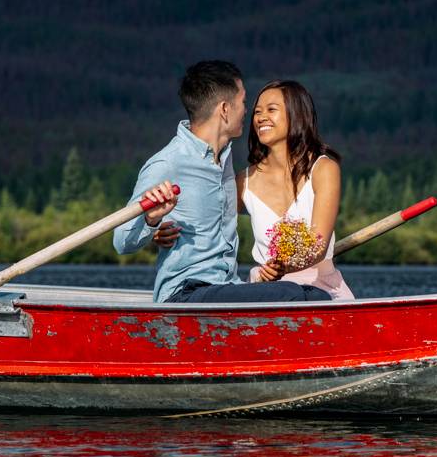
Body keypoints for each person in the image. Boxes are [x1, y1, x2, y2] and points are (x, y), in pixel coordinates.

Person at [113, 60, 332, 304]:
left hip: (226, 288)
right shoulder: (168, 163)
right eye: (244, 103)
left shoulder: (225, 163)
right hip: (185, 294)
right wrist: (150, 220)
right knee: (300, 295)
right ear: (225, 109)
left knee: (307, 294)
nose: (248, 112)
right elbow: (122, 241)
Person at [241, 80, 354, 300]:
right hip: (263, 290)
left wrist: (285, 267)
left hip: (321, 289)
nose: (260, 117)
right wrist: (161, 228)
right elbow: (206, 220)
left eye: (271, 110)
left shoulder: (324, 169)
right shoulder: (243, 181)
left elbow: (318, 246)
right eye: (257, 112)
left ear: (296, 115)